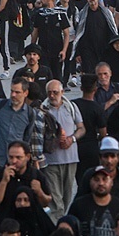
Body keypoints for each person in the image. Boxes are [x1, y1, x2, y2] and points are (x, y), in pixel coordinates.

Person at [42, 79, 86, 220]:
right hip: (51, 162)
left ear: (61, 92)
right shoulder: (43, 110)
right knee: (56, 202)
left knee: (66, 199)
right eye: (49, 93)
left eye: (55, 92)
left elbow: (81, 128)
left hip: (70, 159)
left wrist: (71, 139)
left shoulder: (70, 107)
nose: (52, 95)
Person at [0, 140, 53, 226]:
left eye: (18, 157)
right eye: (11, 157)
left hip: (29, 225)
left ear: (27, 157)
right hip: (4, 225)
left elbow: (46, 202)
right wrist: (4, 182)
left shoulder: (36, 175)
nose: (14, 161)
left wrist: (39, 192)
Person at [0, 77, 44, 162]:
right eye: (12, 91)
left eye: (17, 92)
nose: (13, 95)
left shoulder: (30, 113)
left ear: (25, 93)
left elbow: (26, 138)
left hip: (14, 161)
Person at [76, 136, 119, 214]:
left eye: (112, 156)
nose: (109, 161)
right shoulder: (89, 175)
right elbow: (78, 204)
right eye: (106, 156)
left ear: (118, 157)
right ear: (100, 157)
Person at [67, 167, 119, 236]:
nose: (101, 183)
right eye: (96, 179)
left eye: (104, 179)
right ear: (90, 181)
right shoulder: (78, 206)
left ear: (112, 182)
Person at [31, 0, 71, 81]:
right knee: (44, 76)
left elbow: (66, 34)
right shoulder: (39, 14)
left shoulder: (60, 14)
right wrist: (33, 48)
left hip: (57, 50)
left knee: (56, 76)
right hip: (43, 50)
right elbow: (35, 32)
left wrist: (64, 50)